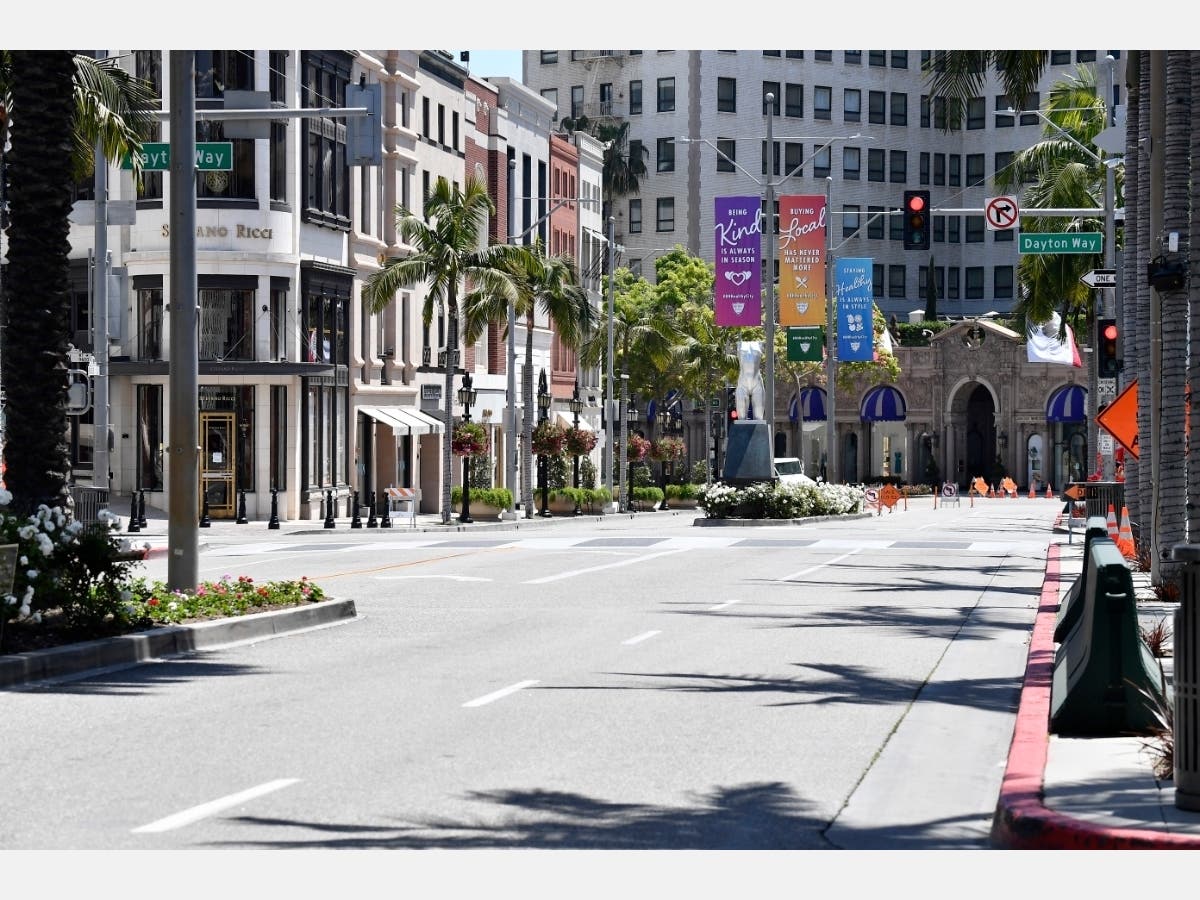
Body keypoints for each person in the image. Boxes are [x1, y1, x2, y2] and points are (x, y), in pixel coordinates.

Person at [734, 340, 765, 421]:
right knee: (741, 417)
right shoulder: (740, 345)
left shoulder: (758, 346)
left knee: (759, 417)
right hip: (742, 382)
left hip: (756, 381)